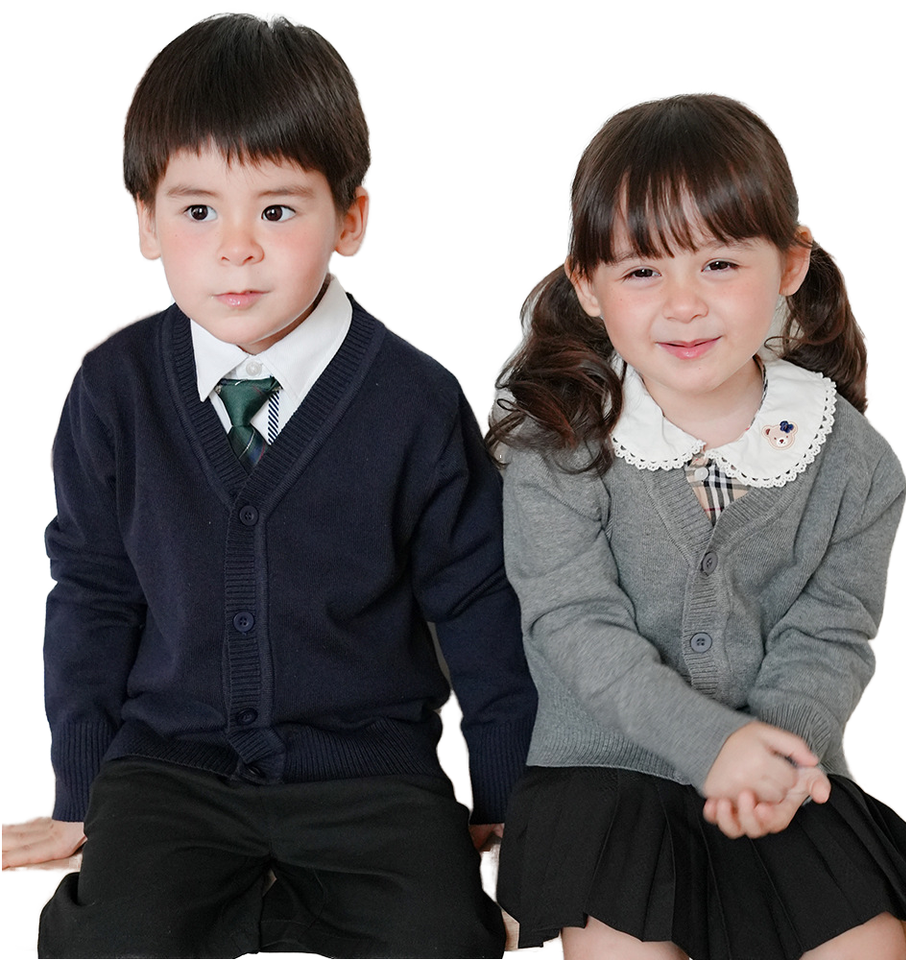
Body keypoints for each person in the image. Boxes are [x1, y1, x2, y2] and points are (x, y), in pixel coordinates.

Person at [1, 13, 536, 959]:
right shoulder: (114, 390)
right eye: (197, 211)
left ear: (350, 218)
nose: (237, 248)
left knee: (445, 936)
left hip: (368, 772)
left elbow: (478, 600)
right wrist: (81, 791)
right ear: (146, 220)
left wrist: (506, 792)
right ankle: (244, 896)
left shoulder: (413, 399)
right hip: (171, 769)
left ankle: (274, 899)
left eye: (278, 211)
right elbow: (92, 592)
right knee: (107, 940)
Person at [488, 94, 906, 960]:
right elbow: (574, 627)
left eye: (718, 263)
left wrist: (769, 763)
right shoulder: (557, 447)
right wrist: (714, 745)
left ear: (789, 264)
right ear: (586, 285)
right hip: (609, 775)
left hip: (779, 773)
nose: (684, 305)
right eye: (642, 272)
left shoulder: (854, 461)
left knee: (864, 946)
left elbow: (833, 634)